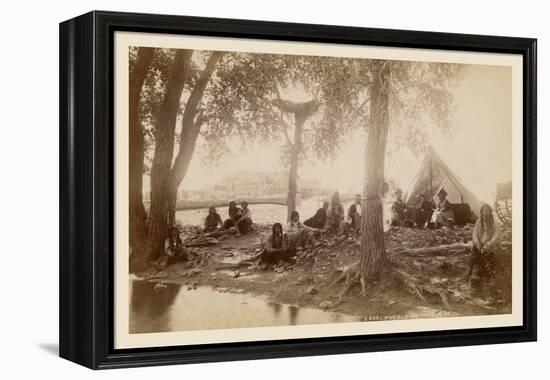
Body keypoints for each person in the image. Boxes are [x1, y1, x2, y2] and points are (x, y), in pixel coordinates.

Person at [469, 204, 500, 290]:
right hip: (480, 243)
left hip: (490, 244)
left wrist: (488, 244)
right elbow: (474, 234)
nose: (485, 213)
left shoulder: (495, 223)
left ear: (490, 212)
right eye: (483, 211)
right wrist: (477, 243)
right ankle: (475, 273)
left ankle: (490, 276)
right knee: (475, 253)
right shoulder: (478, 221)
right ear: (481, 212)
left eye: (487, 211)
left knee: (489, 257)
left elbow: (496, 236)